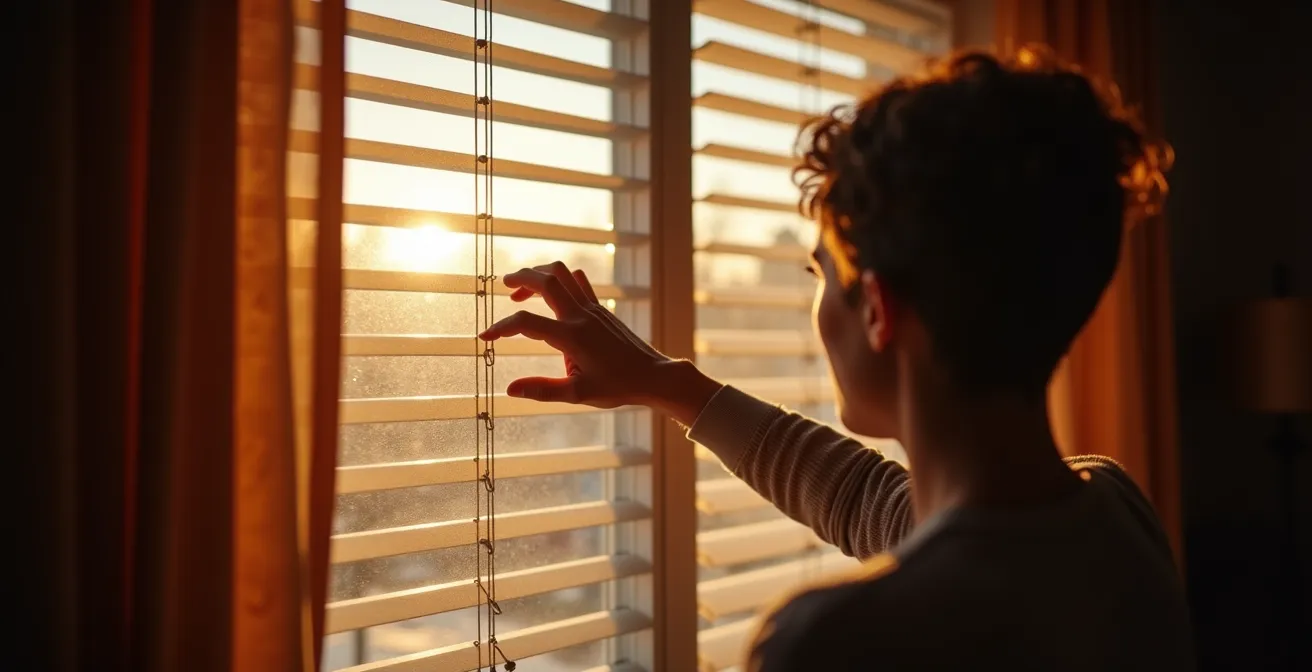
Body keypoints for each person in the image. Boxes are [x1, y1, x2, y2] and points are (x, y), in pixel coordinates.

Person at [479, 47, 1192, 670]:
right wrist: (672, 386)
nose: (818, 308)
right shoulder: (1112, 511)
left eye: (821, 276)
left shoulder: (844, 643)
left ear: (879, 310)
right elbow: (869, 501)